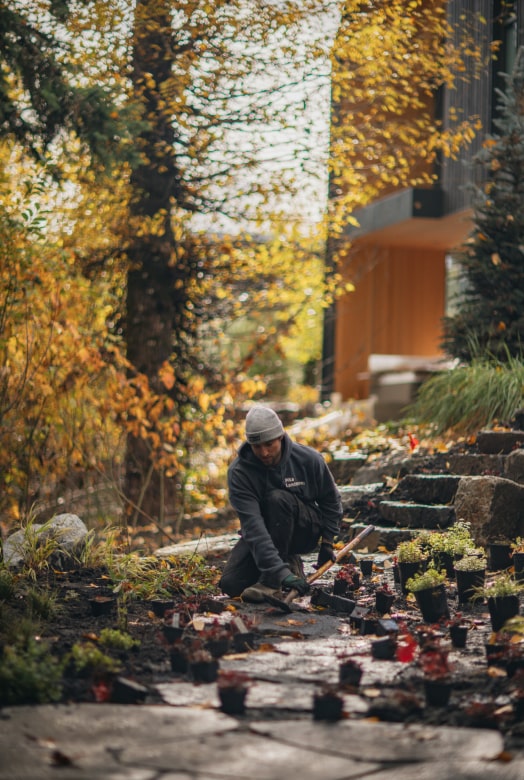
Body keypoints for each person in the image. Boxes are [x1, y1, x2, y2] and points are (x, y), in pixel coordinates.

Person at [219, 405, 343, 603]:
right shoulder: (240, 473)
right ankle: (286, 565)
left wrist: (327, 541)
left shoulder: (309, 459)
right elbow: (253, 527)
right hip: (267, 532)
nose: (264, 452)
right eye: (257, 446)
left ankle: (271, 582)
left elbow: (331, 501)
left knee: (277, 499)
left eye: (269, 444)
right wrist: (279, 570)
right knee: (231, 585)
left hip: (304, 530)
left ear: (280, 437)